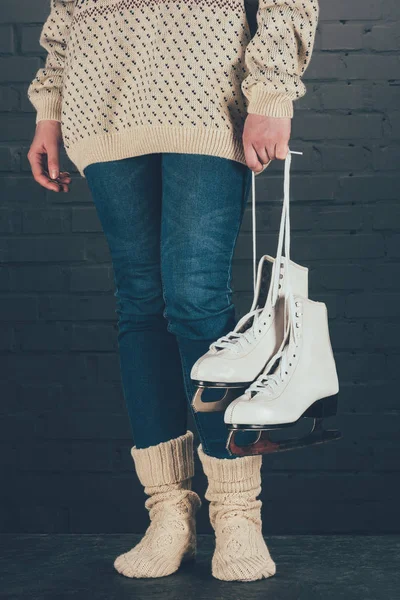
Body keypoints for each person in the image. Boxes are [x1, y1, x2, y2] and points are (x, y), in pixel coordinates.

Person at [27, 0, 319, 583]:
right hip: (100, 99)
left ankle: (236, 512)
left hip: (208, 90)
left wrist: (271, 94)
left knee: (196, 299)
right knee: (140, 303)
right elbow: (66, 12)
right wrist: (49, 110)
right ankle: (169, 512)